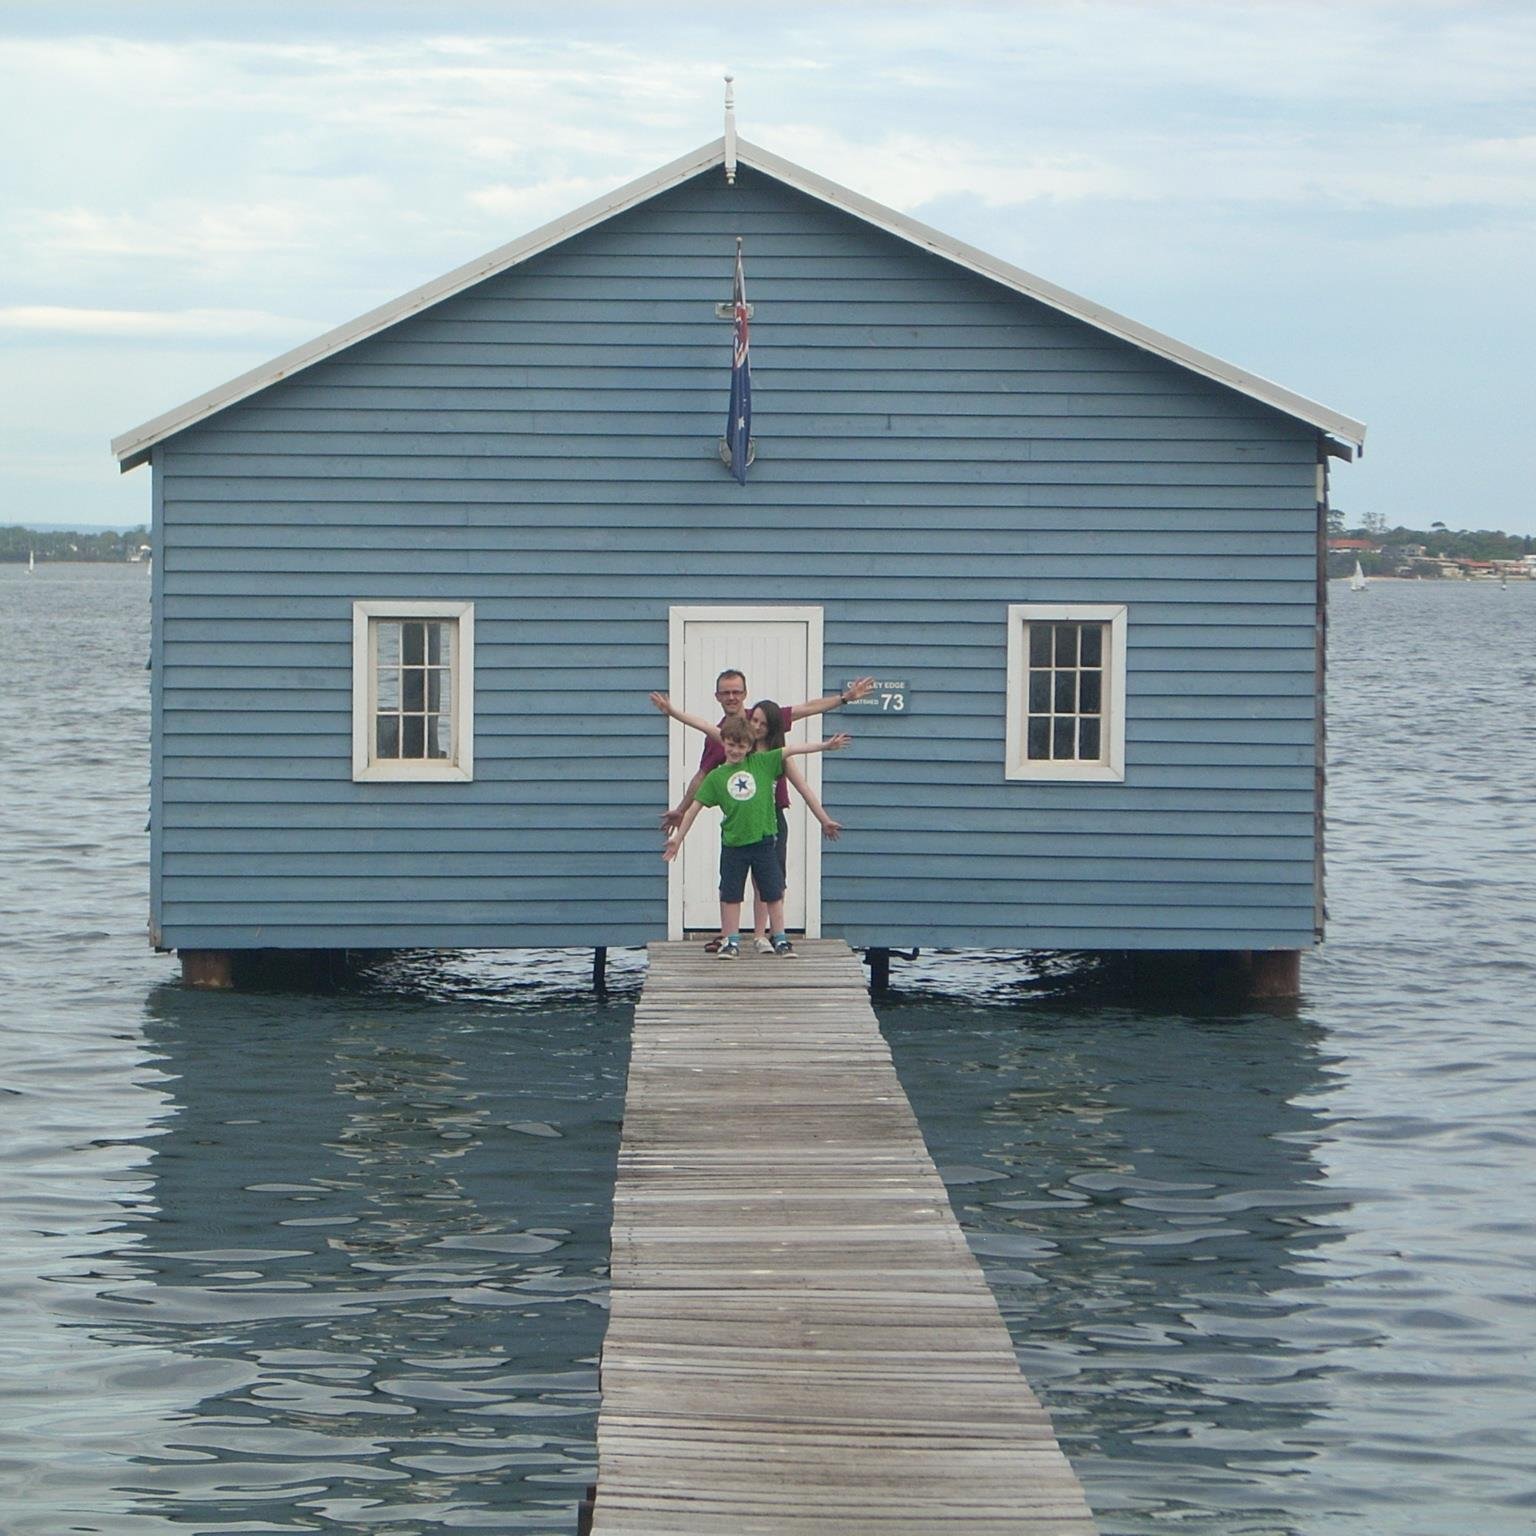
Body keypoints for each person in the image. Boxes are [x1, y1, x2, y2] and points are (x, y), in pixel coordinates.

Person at [657, 669, 873, 949]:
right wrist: (681, 809)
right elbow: (702, 770)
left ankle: (763, 935)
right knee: (733, 883)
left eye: (737, 691)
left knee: (769, 880)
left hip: (772, 818)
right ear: (718, 697)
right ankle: (730, 936)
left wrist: (844, 698)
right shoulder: (729, 736)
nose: (756, 724)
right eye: (726, 692)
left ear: (746, 695)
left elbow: (805, 710)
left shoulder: (772, 749)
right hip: (741, 821)